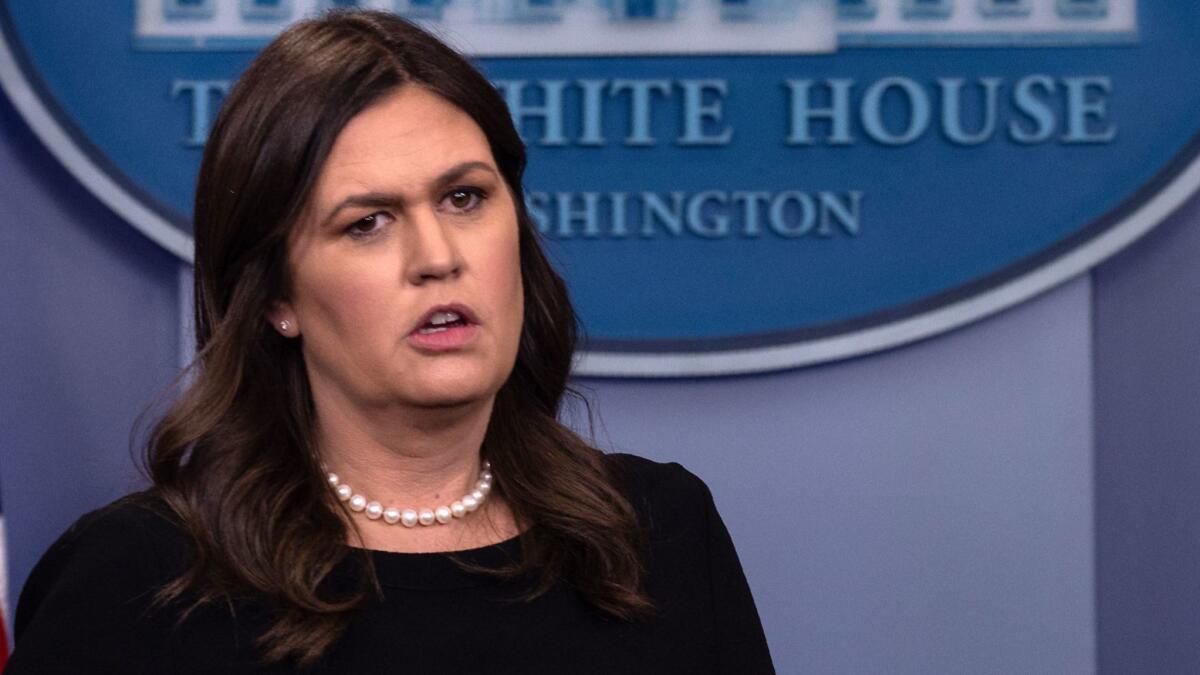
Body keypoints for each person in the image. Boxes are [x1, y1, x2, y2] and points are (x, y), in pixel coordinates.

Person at [5, 10, 774, 674]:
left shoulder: (658, 532)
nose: (439, 256)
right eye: (367, 221)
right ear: (276, 296)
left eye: (465, 196)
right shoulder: (135, 583)